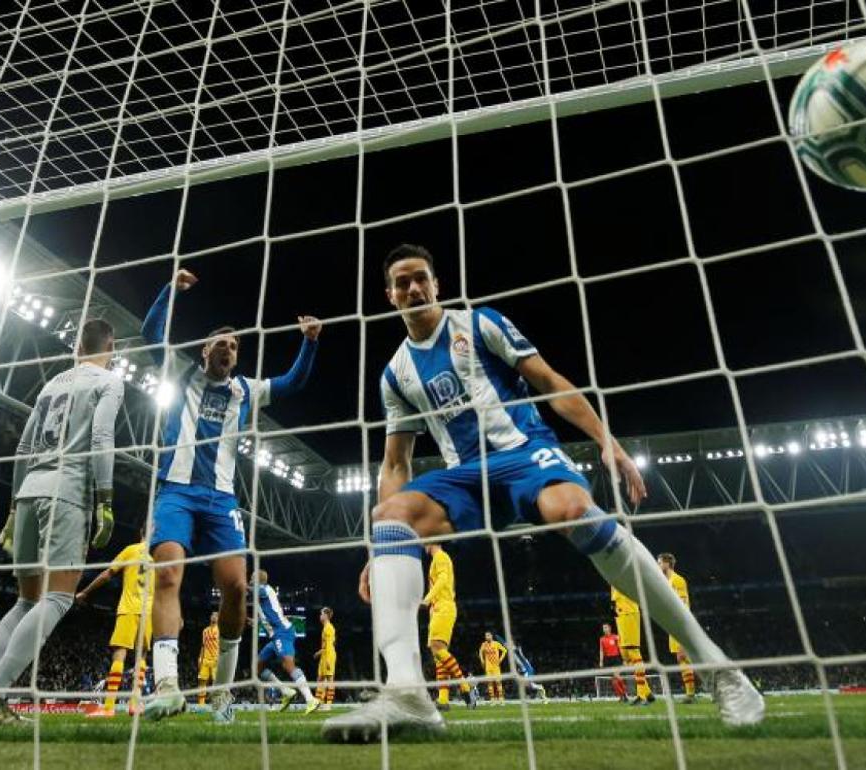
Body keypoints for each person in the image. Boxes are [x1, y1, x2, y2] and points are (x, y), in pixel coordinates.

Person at [324, 245, 763, 742]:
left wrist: (606, 440)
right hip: (467, 476)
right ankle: (407, 694)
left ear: (436, 284)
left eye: (420, 278)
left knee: (573, 509)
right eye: (402, 283)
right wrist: (380, 547)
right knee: (390, 514)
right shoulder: (396, 373)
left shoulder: (481, 323)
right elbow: (395, 464)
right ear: (389, 296)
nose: (413, 288)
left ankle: (719, 667)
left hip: (524, 453)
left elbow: (550, 381)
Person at [139, 269, 321, 722]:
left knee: (237, 588)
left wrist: (310, 342)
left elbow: (293, 383)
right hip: (176, 491)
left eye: (235, 346)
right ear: (205, 351)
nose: (228, 349)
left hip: (221, 501)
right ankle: (166, 686)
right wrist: (170, 290)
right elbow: (150, 333)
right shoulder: (182, 374)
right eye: (221, 344)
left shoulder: (245, 390)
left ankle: (222, 695)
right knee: (167, 574)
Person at [0, 318, 123, 725]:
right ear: (112, 347)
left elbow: (23, 448)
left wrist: (12, 508)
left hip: (28, 490)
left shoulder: (52, 383)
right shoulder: (109, 381)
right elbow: (101, 438)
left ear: (77, 348)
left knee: (25, 601)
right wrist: (105, 500)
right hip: (67, 492)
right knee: (58, 599)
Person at [74, 539, 153, 717]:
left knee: (119, 655)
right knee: (141, 656)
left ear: (140, 532)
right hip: (148, 613)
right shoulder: (157, 557)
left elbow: (107, 574)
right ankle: (134, 704)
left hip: (129, 609)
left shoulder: (131, 550)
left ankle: (109, 707)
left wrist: (85, 592)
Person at [252, 569, 318, 715]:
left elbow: (248, 589)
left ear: (258, 580)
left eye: (252, 578)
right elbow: (267, 617)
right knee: (257, 667)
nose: (250, 581)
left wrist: (236, 582)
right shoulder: (261, 597)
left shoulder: (264, 589)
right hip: (275, 636)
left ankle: (310, 699)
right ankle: (286, 691)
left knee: (288, 665)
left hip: (282, 633)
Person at [423, 543, 475, 710]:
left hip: (443, 607)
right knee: (438, 656)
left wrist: (427, 599)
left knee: (437, 648)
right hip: (438, 608)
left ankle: (465, 687)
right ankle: (443, 700)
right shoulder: (437, 559)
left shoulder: (441, 557)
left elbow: (443, 579)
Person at [657, 553, 697, 703]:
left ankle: (693, 693)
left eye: (660, 562)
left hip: (681, 625)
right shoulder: (666, 581)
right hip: (673, 625)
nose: (658, 565)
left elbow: (683, 606)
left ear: (667, 564)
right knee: (682, 659)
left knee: (685, 657)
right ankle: (690, 693)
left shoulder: (677, 580)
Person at [611, 585, 654, 705]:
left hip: (628, 612)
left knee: (633, 653)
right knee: (627, 656)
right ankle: (647, 693)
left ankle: (642, 695)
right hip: (620, 613)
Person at [313, 607, 336, 709]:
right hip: (324, 654)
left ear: (326, 616)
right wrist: (320, 652)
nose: (320, 616)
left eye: (321, 614)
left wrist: (327, 661)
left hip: (328, 655)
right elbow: (326, 645)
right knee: (320, 679)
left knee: (330, 679)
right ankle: (319, 702)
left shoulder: (329, 628)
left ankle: (328, 704)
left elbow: (330, 646)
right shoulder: (325, 627)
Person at [597, 622, 627, 701]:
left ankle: (624, 694)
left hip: (616, 658)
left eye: (606, 627)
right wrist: (601, 661)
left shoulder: (615, 637)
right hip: (608, 659)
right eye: (603, 628)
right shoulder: (602, 639)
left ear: (610, 628)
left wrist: (624, 659)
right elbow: (601, 651)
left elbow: (621, 648)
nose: (604, 629)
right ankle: (622, 696)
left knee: (616, 675)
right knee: (613, 681)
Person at [197, 612, 220, 706]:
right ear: (210, 617)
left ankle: (216, 704)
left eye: (216, 616)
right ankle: (201, 705)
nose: (214, 617)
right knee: (202, 681)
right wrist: (200, 658)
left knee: (216, 682)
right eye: (212, 615)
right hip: (205, 660)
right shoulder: (205, 631)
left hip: (216, 660)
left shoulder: (220, 630)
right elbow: (203, 646)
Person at [478, 631, 508, 703]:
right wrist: (482, 660)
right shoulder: (484, 644)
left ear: (491, 636)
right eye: (486, 636)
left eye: (488, 635)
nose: (487, 637)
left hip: (496, 667)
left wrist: (500, 660)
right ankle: (492, 699)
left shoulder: (496, 644)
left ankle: (501, 698)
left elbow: (504, 651)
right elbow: (480, 652)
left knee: (498, 682)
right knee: (489, 682)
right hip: (488, 667)